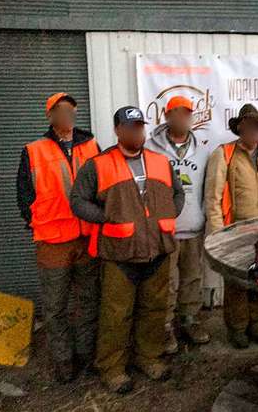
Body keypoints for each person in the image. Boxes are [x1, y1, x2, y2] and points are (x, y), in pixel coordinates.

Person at [70, 106, 184, 393]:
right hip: (119, 253)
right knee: (115, 314)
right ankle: (112, 368)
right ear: (118, 130)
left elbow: (178, 193)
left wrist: (168, 214)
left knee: (154, 309)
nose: (136, 132)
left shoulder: (160, 161)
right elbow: (78, 201)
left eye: (139, 127)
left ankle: (149, 358)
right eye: (130, 127)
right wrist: (107, 217)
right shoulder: (98, 165)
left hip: (158, 249)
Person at [16, 92, 100, 383]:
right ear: (49, 116)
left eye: (70, 110)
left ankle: (87, 356)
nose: (66, 115)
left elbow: (104, 185)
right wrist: (39, 225)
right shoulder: (33, 150)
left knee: (88, 301)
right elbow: (24, 197)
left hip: (86, 239)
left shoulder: (91, 145)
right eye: (60, 110)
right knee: (55, 306)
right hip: (52, 243)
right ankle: (64, 361)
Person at [204, 104, 258, 349]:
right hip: (235, 231)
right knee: (237, 280)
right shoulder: (224, 154)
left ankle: (256, 322)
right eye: (248, 126)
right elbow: (213, 197)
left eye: (257, 126)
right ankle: (237, 328)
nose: (253, 131)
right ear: (239, 128)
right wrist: (218, 235)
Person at [145, 96, 212, 352]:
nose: (181, 118)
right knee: (166, 282)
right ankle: (164, 327)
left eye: (186, 114)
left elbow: (207, 188)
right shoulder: (151, 149)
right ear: (166, 115)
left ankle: (189, 320)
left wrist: (204, 216)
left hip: (193, 228)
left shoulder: (202, 151)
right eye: (176, 113)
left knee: (192, 278)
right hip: (165, 230)